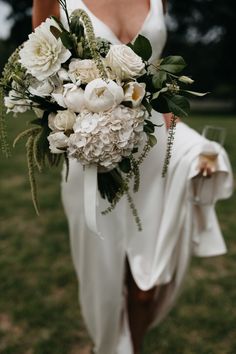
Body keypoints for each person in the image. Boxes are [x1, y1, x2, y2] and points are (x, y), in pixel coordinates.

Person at [32, 1, 233, 353]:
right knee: (104, 284)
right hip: (90, 156)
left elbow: (155, 93)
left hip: (150, 148)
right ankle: (107, 346)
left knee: (145, 288)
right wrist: (71, 116)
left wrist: (196, 147)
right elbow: (38, 72)